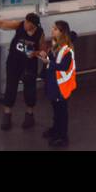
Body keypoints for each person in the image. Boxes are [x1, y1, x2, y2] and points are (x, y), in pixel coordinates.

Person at [0, 12, 43, 130]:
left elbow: (43, 49)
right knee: (10, 87)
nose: (25, 24)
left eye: (28, 23)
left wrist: (34, 53)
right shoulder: (20, 25)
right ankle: (7, 114)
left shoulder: (39, 33)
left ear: (33, 25)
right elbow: (3, 24)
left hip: (29, 64)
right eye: (25, 21)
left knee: (30, 89)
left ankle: (29, 114)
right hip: (14, 61)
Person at [37, 19, 76, 147]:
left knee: (61, 112)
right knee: (55, 109)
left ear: (61, 32)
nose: (52, 30)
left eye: (55, 29)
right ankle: (56, 130)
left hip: (61, 87)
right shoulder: (54, 46)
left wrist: (48, 62)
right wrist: (46, 57)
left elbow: (63, 66)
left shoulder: (67, 50)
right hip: (54, 84)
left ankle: (62, 136)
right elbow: (53, 61)